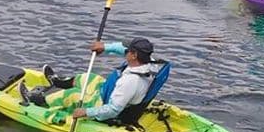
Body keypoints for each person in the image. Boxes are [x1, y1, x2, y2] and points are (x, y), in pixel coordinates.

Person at [18, 38, 160, 124]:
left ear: (134, 55)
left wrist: (86, 112)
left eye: (129, 50)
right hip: (110, 92)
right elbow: (122, 49)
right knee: (89, 77)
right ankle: (58, 82)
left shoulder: (130, 82)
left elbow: (113, 110)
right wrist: (105, 47)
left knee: (73, 95)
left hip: (108, 107)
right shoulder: (149, 62)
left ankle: (38, 99)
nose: (126, 51)